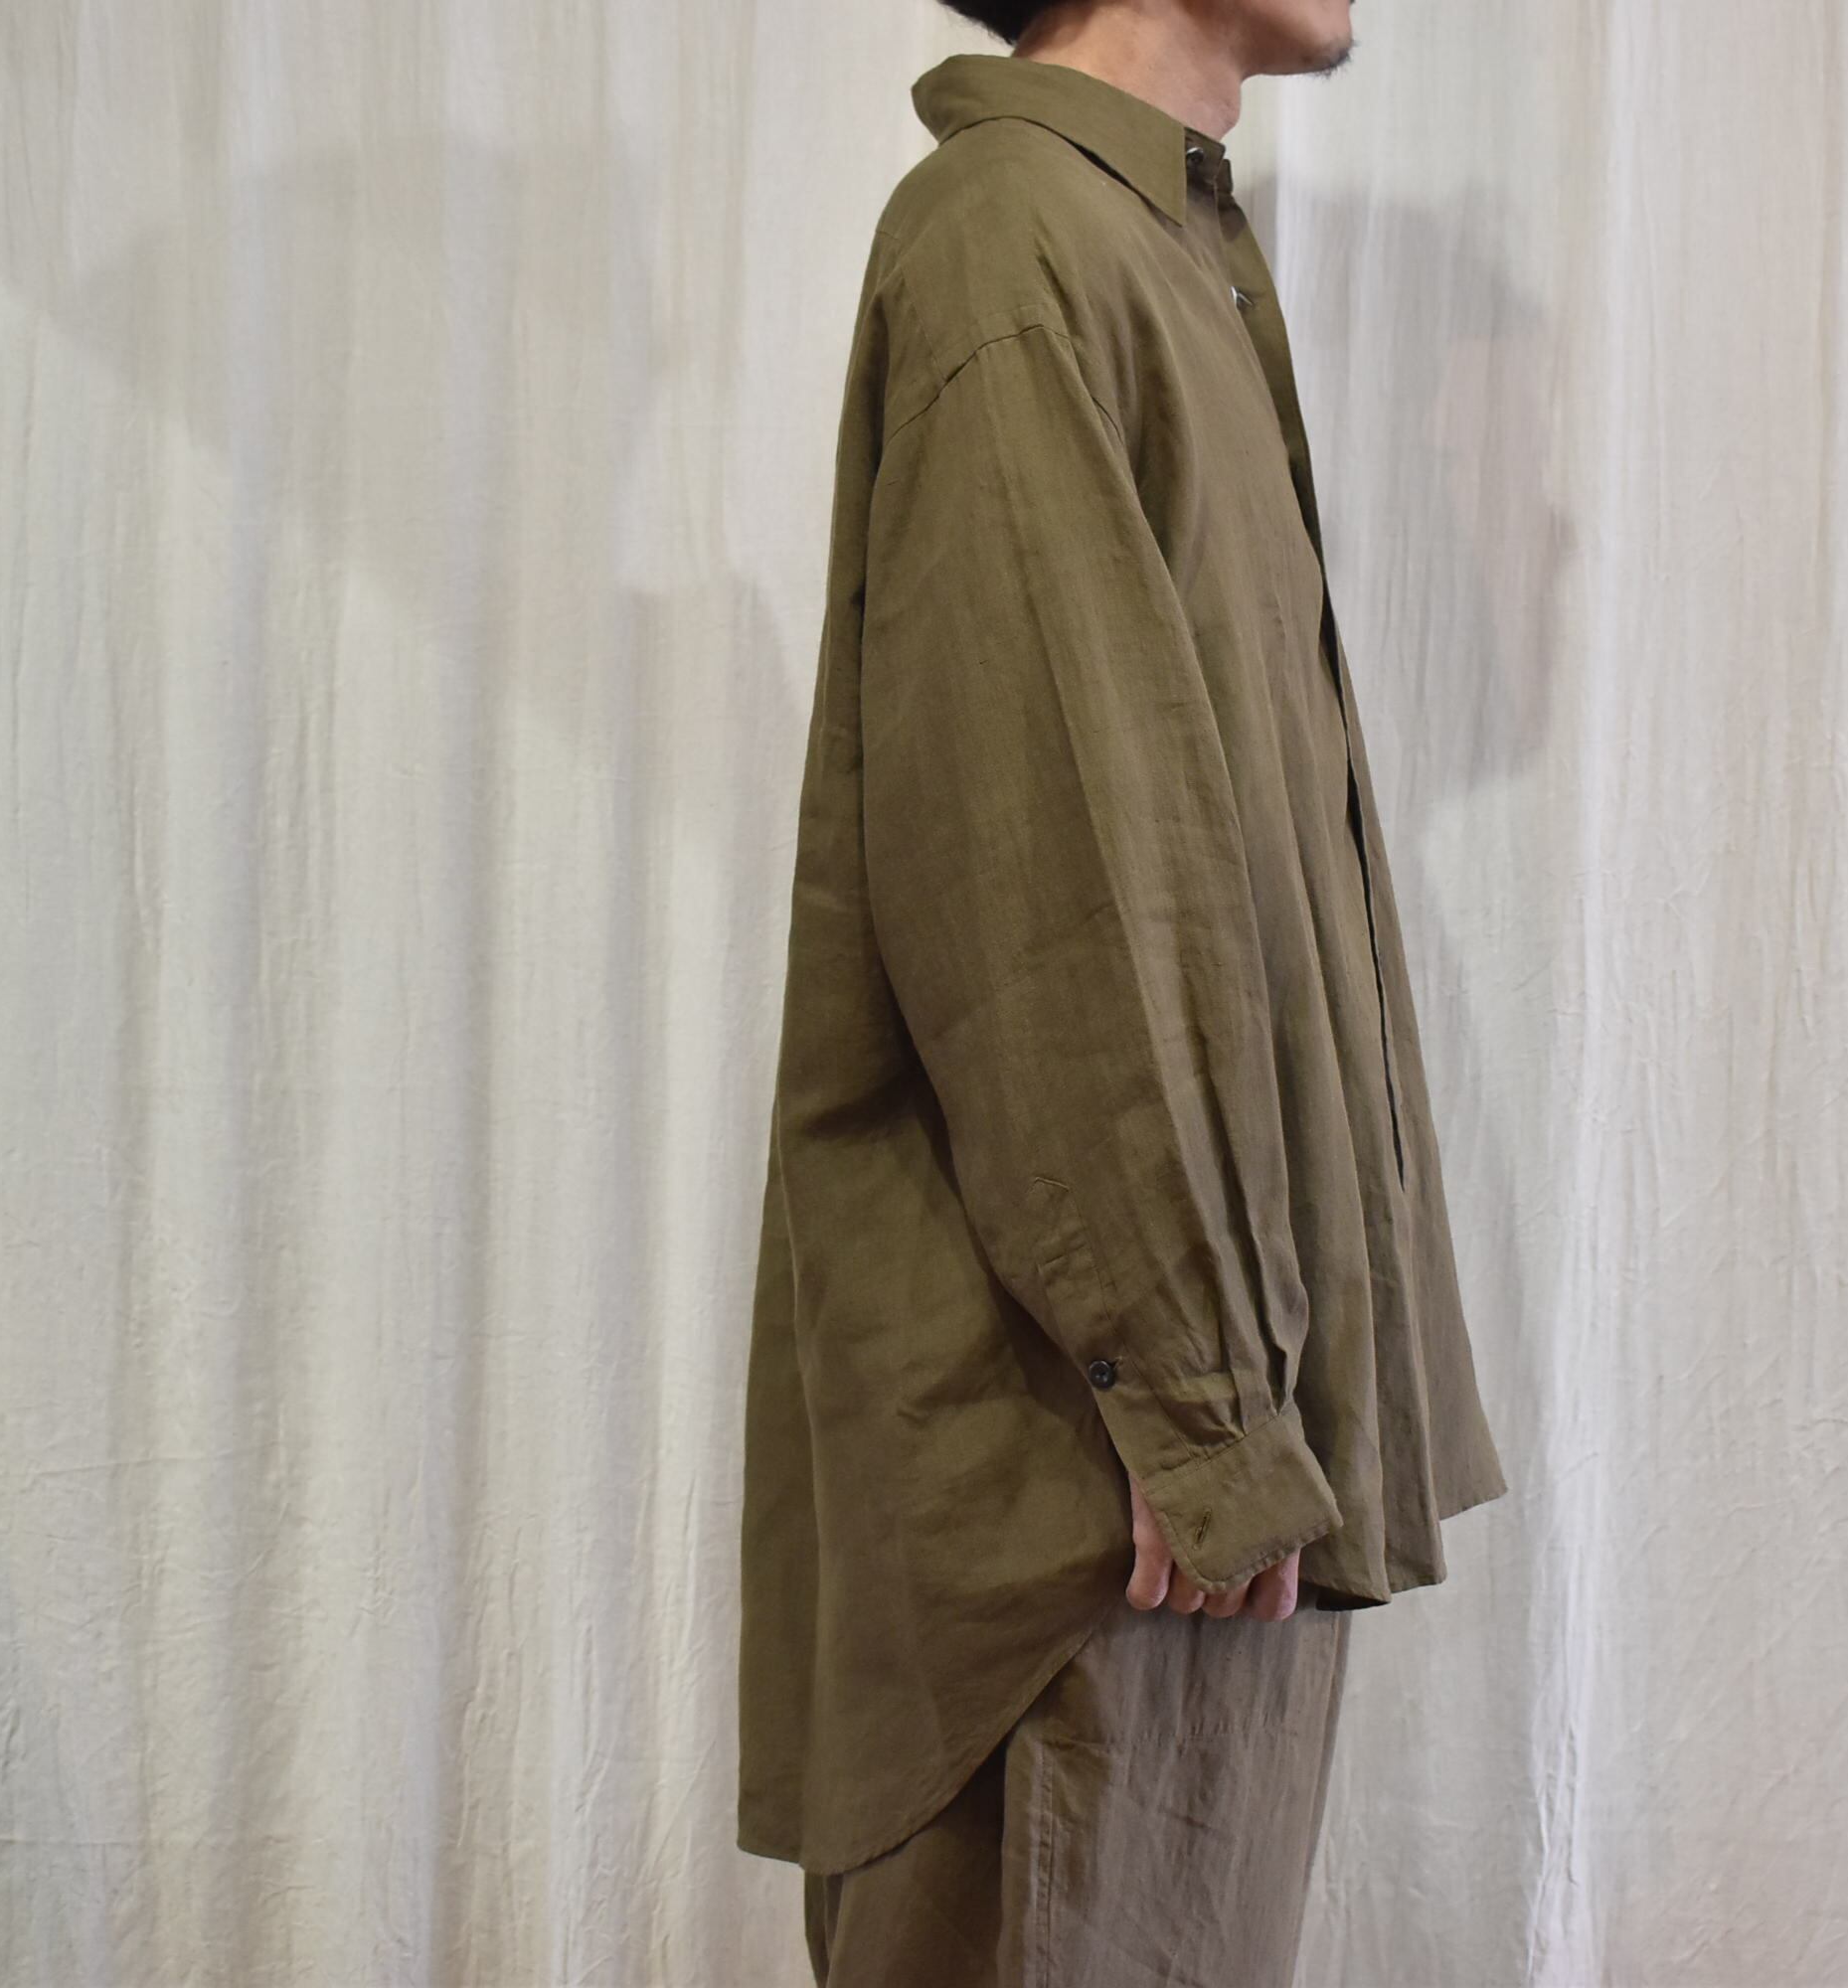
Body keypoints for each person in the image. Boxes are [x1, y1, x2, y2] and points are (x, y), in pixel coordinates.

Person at [736, 2, 1507, 1980]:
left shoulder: (1153, 247)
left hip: (1190, 1454)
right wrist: (1190, 1391)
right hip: (1091, 1482)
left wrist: (1240, 1401)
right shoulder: (1017, 240)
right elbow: (1050, 879)